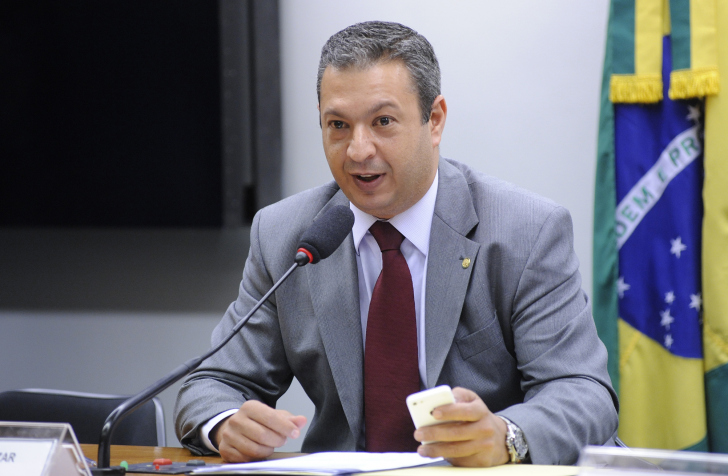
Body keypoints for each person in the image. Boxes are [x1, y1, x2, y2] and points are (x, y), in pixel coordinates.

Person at [174, 21, 618, 467]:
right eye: (338, 125)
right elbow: (211, 383)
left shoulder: (526, 232)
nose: (358, 150)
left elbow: (583, 393)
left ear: (435, 120)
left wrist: (508, 436)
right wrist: (226, 424)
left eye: (382, 122)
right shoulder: (285, 236)